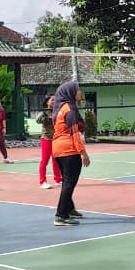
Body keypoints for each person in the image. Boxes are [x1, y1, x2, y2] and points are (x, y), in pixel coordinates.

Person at [51, 80, 90, 225]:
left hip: (58, 149)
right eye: (78, 90)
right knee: (69, 182)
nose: (80, 92)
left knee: (67, 181)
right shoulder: (70, 110)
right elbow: (74, 134)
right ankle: (61, 215)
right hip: (69, 150)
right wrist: (83, 153)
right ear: (70, 92)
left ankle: (69, 208)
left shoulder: (60, 108)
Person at [37, 94, 62, 189]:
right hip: (46, 139)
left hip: (56, 139)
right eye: (52, 100)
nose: (54, 101)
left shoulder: (58, 111)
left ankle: (58, 179)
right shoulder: (44, 112)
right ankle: (43, 182)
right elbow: (37, 120)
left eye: (55, 100)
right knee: (45, 160)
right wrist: (43, 115)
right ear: (47, 102)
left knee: (56, 160)